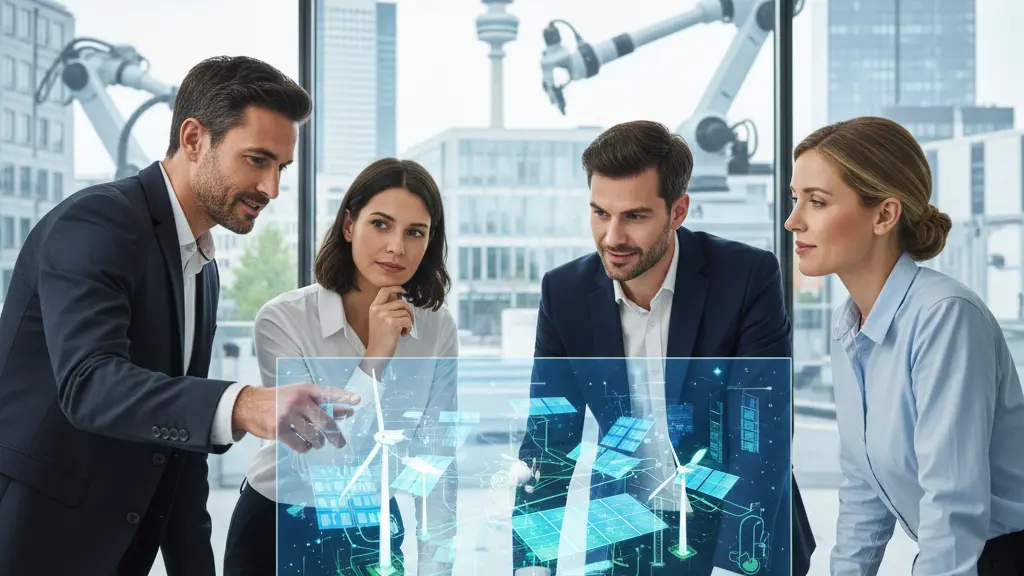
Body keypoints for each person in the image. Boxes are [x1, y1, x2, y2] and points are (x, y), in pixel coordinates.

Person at [0, 56, 360, 576]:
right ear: (193, 139)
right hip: (33, 540)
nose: (272, 189)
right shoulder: (97, 222)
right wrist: (243, 404)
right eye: (257, 159)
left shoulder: (200, 264)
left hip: (118, 550)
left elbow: (176, 448)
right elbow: (89, 383)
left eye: (280, 168)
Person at [513, 120, 815, 575]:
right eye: (600, 213)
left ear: (678, 211)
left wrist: (736, 568)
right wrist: (532, 566)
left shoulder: (746, 277)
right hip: (623, 531)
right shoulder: (564, 293)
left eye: (634, 216)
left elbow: (759, 438)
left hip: (738, 532)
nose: (612, 237)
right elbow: (547, 443)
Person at [785, 116, 1024, 575]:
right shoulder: (849, 325)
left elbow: (952, 503)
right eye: (796, 199)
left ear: (884, 215)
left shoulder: (945, 316)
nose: (793, 220)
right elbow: (864, 488)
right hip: (955, 555)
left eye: (816, 201)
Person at [223, 158, 459, 576]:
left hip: (372, 522)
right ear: (349, 225)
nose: (396, 247)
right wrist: (376, 356)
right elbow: (325, 457)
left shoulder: (436, 329)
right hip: (283, 520)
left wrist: (437, 567)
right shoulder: (284, 319)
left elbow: (436, 458)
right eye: (381, 224)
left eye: (415, 233)